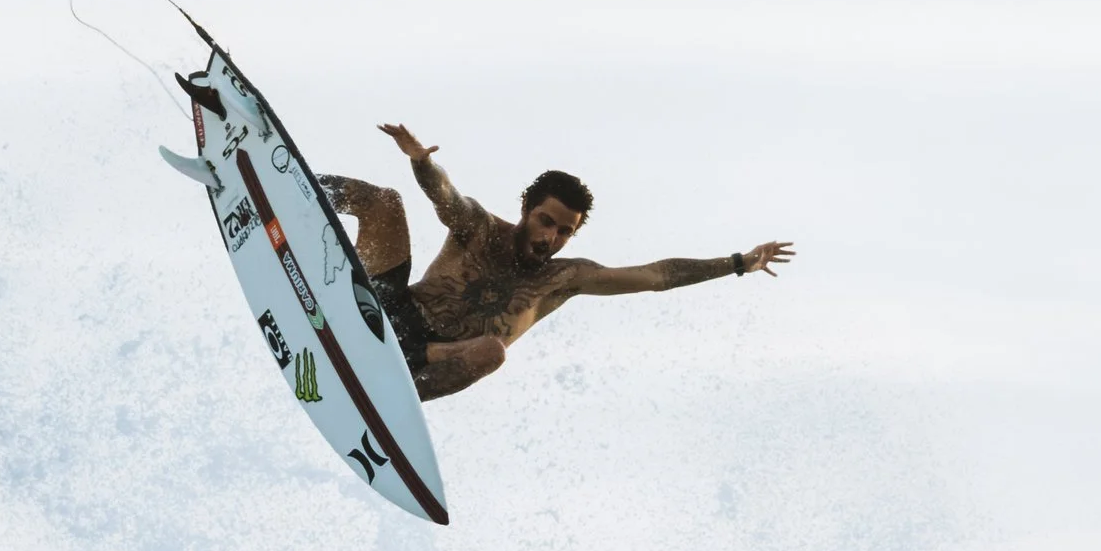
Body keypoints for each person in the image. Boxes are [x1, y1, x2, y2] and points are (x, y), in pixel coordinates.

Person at [319, 124, 794, 401]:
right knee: (383, 201)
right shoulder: (478, 227)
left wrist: (735, 263)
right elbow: (445, 196)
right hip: (383, 313)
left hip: (425, 363)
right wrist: (422, 161)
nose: (551, 237)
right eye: (546, 221)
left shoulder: (564, 278)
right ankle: (274, 187)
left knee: (491, 353)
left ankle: (386, 400)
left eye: (564, 231)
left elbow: (656, 276)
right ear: (527, 208)